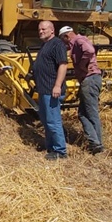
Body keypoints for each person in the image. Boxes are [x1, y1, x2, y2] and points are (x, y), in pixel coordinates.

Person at [59, 26, 104, 154]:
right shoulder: (78, 42)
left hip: (89, 79)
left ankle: (97, 143)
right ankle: (94, 141)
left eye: (63, 40)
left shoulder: (78, 40)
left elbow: (89, 51)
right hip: (91, 80)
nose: (65, 43)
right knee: (83, 113)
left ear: (67, 36)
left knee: (90, 112)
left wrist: (82, 65)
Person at [32, 21, 68, 160]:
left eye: (44, 29)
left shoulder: (57, 44)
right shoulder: (45, 45)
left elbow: (63, 65)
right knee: (46, 120)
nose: (41, 31)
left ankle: (60, 151)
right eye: (39, 29)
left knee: (53, 121)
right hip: (43, 89)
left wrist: (58, 85)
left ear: (52, 30)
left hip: (51, 89)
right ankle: (51, 147)